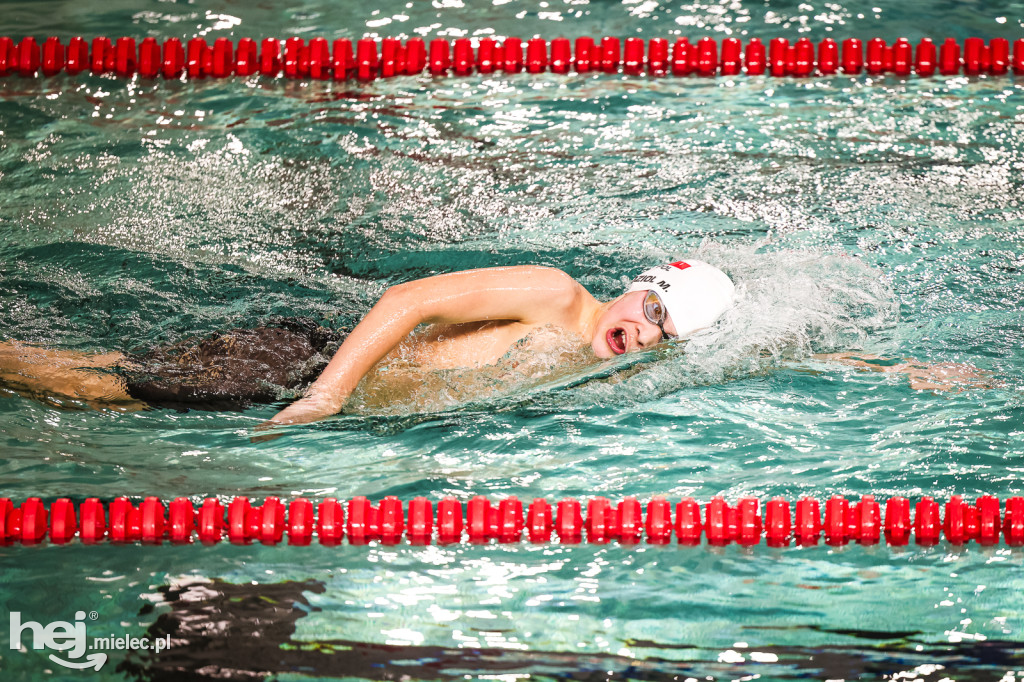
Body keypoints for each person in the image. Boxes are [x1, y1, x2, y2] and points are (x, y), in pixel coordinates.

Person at [0, 260, 987, 423]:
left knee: (79, 383)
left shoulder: (628, 351)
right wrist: (331, 393)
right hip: (296, 362)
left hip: (311, 384)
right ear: (636, 283)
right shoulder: (556, 296)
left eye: (662, 334)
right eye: (647, 308)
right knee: (79, 388)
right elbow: (405, 298)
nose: (639, 332)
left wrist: (891, 371)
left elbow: (761, 354)